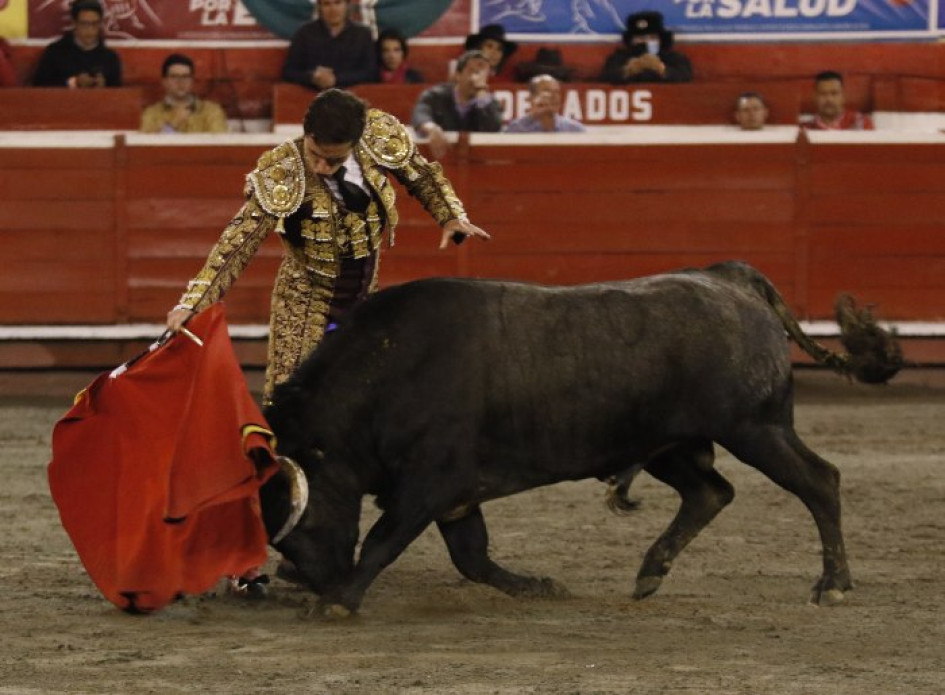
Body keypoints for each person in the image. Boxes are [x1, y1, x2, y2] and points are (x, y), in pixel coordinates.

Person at [166, 88, 489, 404]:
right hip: (304, 296)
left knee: (357, 395)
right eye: (314, 155)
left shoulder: (378, 135)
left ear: (356, 142)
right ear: (306, 133)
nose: (320, 167)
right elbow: (238, 242)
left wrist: (449, 215)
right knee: (291, 396)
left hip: (364, 293)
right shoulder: (283, 170)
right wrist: (193, 303)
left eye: (333, 161)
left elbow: (420, 175)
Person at [411, 50, 503, 160]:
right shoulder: (436, 95)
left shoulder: (490, 104)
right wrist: (431, 128)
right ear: (458, 75)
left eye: (482, 73)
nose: (476, 78)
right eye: (472, 72)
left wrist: (482, 94)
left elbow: (493, 129)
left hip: (474, 166)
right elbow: (420, 112)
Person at [281, 0, 375, 90]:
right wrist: (312, 77)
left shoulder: (362, 34)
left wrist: (336, 79)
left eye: (337, 2)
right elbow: (289, 72)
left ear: (347, 5)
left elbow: (371, 73)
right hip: (312, 98)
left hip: (353, 98)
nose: (333, 9)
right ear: (319, 7)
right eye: (326, 4)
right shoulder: (304, 33)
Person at [32, 0, 122, 88]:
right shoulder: (55, 53)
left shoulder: (109, 58)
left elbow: (119, 95)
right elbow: (39, 87)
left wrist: (104, 87)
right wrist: (73, 83)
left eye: (95, 23)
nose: (90, 29)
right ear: (74, 23)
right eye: (85, 24)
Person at [140, 54, 228, 134]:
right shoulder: (152, 114)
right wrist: (173, 124)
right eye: (174, 77)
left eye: (185, 77)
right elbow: (148, 146)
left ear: (192, 81)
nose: (180, 82)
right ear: (164, 81)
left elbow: (218, 145)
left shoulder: (211, 111)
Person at [600, 11, 691, 84]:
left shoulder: (673, 58)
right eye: (640, 38)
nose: (645, 42)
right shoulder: (619, 58)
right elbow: (607, 75)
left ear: (660, 39)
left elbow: (685, 75)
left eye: (651, 37)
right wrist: (628, 70)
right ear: (631, 40)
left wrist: (662, 69)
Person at [503, 74, 586, 133]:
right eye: (547, 91)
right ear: (532, 98)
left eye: (557, 92)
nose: (554, 97)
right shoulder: (517, 129)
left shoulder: (574, 130)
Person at [804, 70, 874, 131]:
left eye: (834, 93)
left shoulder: (861, 124)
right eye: (823, 94)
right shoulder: (805, 130)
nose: (829, 99)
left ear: (843, 96)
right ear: (815, 97)